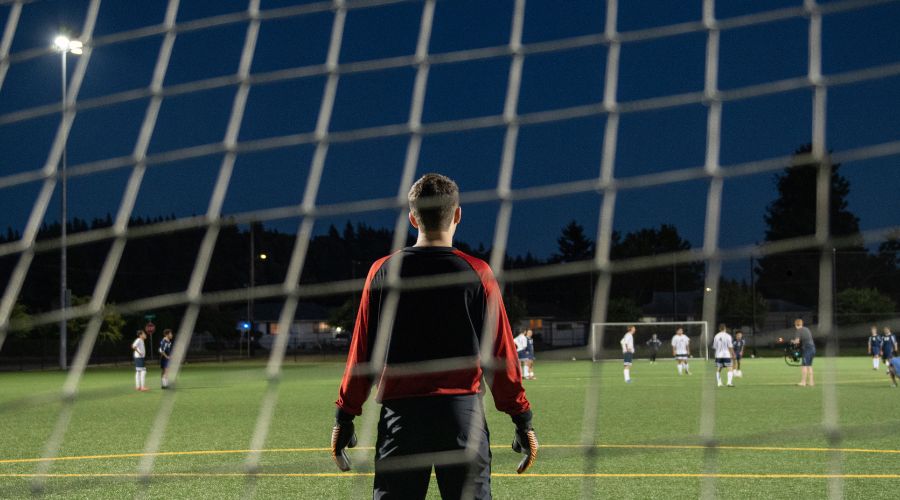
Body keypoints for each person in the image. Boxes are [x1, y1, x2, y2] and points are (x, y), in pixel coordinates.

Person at [332, 173, 536, 499]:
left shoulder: (383, 271)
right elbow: (500, 356)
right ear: (457, 215)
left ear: (413, 218)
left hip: (402, 419)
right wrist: (522, 418)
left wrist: (345, 414)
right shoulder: (478, 273)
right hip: (462, 419)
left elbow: (362, 354)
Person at [792, 318, 815, 387]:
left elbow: (797, 341)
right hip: (813, 348)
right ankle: (811, 382)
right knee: (809, 365)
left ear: (796, 324)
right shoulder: (806, 329)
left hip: (807, 349)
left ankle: (803, 382)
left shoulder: (798, 330)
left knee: (804, 366)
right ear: (802, 324)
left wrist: (792, 341)